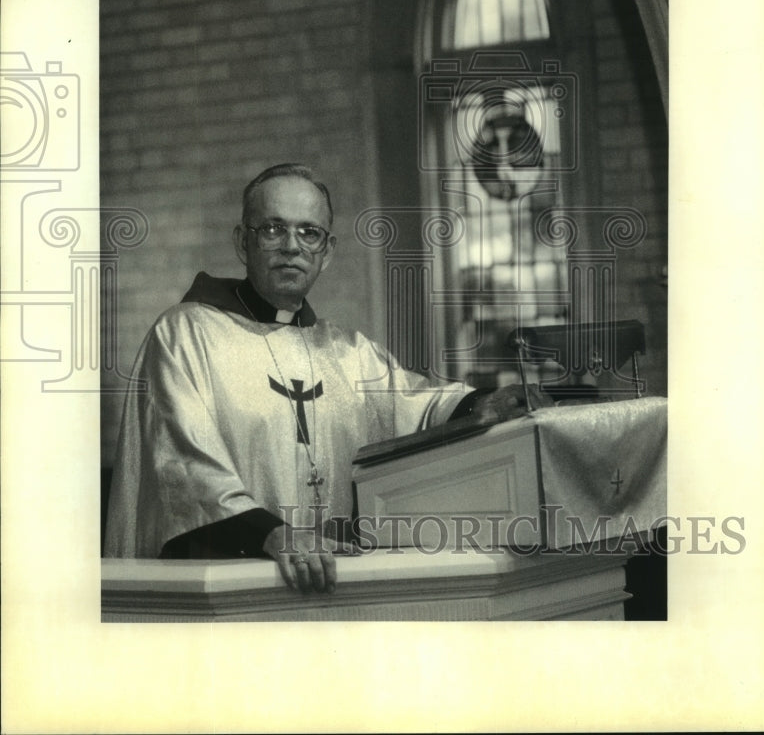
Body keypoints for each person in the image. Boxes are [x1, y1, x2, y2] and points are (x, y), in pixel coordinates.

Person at [104, 163, 528, 594]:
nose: (292, 246)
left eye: (309, 233)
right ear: (242, 242)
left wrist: (484, 404)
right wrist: (271, 533)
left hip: (335, 585)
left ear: (327, 252)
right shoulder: (186, 334)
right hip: (234, 588)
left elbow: (418, 404)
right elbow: (183, 465)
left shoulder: (348, 351)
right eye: (272, 229)